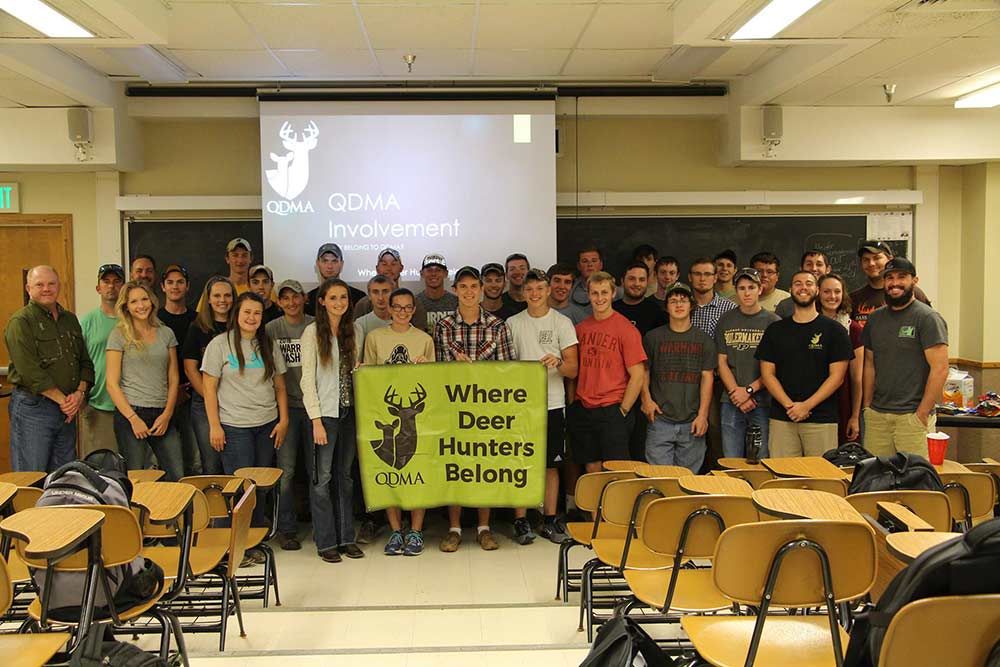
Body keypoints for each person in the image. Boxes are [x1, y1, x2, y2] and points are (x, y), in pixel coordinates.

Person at [434, 266, 516, 552]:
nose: (469, 292)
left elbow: (508, 370)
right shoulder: (443, 326)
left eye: (474, 287)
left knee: (485, 467)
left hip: (487, 409)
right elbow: (438, 372)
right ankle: (454, 528)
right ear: (455, 290)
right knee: (455, 467)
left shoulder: (497, 325)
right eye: (463, 287)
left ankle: (484, 528)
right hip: (453, 407)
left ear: (481, 290)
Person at [506, 269, 579, 545]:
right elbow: (503, 367)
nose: (534, 294)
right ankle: (521, 519)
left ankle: (549, 519)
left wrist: (558, 363)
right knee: (520, 462)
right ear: (522, 293)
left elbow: (573, 369)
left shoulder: (562, 323)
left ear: (548, 290)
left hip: (552, 403)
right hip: (519, 406)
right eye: (530, 290)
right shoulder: (513, 323)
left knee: (551, 465)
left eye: (540, 289)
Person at [363, 288, 435, 556]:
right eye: (398, 307)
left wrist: (426, 366)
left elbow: (436, 378)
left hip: (417, 417)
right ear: (389, 309)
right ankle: (395, 530)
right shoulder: (375, 337)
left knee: (419, 473)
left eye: (408, 307)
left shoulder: (425, 339)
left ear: (414, 310)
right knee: (389, 473)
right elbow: (367, 375)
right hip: (385, 413)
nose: (402, 312)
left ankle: (415, 530)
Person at [5, 266, 94, 472]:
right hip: (34, 409)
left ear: (58, 286)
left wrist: (79, 394)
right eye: (39, 284)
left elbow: (85, 362)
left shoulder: (70, 319)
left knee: (64, 477)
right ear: (28, 288)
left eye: (51, 284)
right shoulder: (21, 322)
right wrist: (65, 402)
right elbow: (29, 372)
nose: (46, 289)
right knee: (32, 476)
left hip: (67, 411)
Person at [756, 271, 852, 457]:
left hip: (821, 420)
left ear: (817, 290)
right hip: (782, 418)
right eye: (798, 283)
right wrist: (790, 406)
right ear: (791, 290)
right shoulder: (775, 330)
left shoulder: (835, 331)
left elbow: (837, 377)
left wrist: (806, 406)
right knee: (782, 479)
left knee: (821, 480)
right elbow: (767, 374)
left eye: (809, 283)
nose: (803, 288)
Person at [300, 278, 363, 563]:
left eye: (343, 298)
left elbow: (358, 372)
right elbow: (307, 381)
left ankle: (346, 537)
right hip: (324, 414)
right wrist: (315, 420)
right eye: (333, 298)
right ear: (322, 301)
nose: (339, 303)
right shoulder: (312, 333)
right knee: (321, 479)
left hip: (349, 412)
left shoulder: (355, 330)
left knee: (345, 477)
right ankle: (326, 541)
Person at [862, 258, 948, 457]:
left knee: (914, 482)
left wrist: (922, 413)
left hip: (912, 417)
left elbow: (940, 369)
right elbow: (869, 364)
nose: (895, 283)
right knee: (876, 480)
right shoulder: (874, 319)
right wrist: (867, 406)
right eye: (889, 278)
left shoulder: (927, 318)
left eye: (902, 277)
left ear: (914, 281)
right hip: (877, 417)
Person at [202, 291, 288, 484]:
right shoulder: (219, 344)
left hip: (267, 425)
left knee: (261, 486)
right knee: (241, 487)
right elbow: (209, 389)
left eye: (257, 313)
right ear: (237, 313)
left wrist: (284, 421)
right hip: (235, 427)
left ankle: (257, 517)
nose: (252, 317)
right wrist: (215, 426)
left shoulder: (268, 345)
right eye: (247, 312)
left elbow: (280, 387)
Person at [569, 271, 646, 474]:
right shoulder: (581, 329)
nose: (599, 298)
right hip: (585, 407)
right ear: (588, 295)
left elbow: (638, 375)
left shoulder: (626, 329)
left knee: (616, 469)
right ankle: (594, 508)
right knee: (591, 466)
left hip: (613, 408)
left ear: (613, 293)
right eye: (595, 293)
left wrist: (623, 411)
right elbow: (574, 371)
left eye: (604, 292)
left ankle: (616, 507)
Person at [105, 281, 184, 480]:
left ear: (152, 301)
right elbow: (112, 384)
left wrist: (167, 414)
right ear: (126, 307)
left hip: (162, 414)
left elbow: (173, 378)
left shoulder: (166, 333)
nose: (141, 305)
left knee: (176, 475)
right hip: (132, 414)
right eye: (134, 302)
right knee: (135, 478)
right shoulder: (118, 335)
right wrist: (133, 419)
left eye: (144, 299)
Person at [640, 283, 716, 471]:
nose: (679, 305)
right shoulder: (652, 337)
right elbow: (643, 371)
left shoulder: (704, 339)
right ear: (666, 307)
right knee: (660, 479)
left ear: (691, 305)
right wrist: (646, 400)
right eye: (673, 301)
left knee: (687, 482)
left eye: (683, 300)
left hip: (692, 421)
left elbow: (707, 377)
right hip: (660, 419)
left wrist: (703, 415)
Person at [266, 279, 315, 551]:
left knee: (317, 471)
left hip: (314, 408)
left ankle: (321, 526)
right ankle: (286, 529)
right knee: (286, 472)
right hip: (285, 409)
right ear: (279, 301)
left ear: (304, 298)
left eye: (296, 297)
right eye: (285, 298)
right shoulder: (271, 329)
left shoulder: (314, 325)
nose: (291, 302)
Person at [715, 268, 780, 459]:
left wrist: (749, 391)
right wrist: (737, 393)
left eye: (751, 287)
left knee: (760, 461)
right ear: (736, 290)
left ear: (760, 289)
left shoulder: (773, 322)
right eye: (742, 288)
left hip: (763, 401)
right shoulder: (726, 320)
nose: (747, 292)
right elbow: (722, 362)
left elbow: (775, 366)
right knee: (731, 460)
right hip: (731, 401)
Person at [182, 276, 235, 475]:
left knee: (233, 463)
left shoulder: (241, 326)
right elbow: (190, 368)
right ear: (209, 299)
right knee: (211, 463)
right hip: (204, 404)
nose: (223, 300)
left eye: (227, 295)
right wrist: (210, 397)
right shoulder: (198, 328)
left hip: (236, 406)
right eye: (217, 295)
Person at [79, 263, 126, 456]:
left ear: (124, 286)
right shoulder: (87, 321)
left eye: (116, 282)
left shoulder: (134, 320)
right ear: (98, 288)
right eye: (106, 282)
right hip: (98, 405)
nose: (111, 286)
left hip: (133, 405)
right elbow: (78, 361)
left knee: (137, 470)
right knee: (100, 468)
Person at [158, 264, 199, 475]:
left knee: (195, 460)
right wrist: (172, 392)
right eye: (170, 282)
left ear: (188, 286)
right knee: (166, 462)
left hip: (193, 395)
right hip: (161, 398)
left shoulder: (198, 319)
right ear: (163, 287)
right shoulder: (154, 320)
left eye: (180, 282)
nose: (175, 287)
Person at [817, 274, 863, 443]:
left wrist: (855, 416)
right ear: (817, 293)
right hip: (813, 406)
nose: (832, 296)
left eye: (837, 291)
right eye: (826, 291)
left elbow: (857, 379)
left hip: (842, 406)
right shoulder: (807, 324)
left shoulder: (854, 330)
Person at [850, 241, 930, 328]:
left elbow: (929, 328)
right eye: (866, 259)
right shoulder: (854, 299)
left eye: (877, 258)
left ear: (890, 260)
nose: (871, 263)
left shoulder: (911, 293)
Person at [353, 248, 428, 331]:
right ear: (377, 268)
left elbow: (420, 336)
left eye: (393, 264)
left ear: (401, 268)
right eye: (384, 264)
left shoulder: (414, 302)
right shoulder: (364, 304)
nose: (388, 268)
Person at [305, 243, 365, 317]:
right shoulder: (309, 299)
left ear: (342, 264)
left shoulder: (358, 297)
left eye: (334, 261)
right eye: (325, 261)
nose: (329, 266)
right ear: (317, 264)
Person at [195, 238, 255, 311]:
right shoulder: (216, 288)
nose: (240, 260)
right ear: (227, 259)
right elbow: (202, 316)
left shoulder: (259, 289)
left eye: (244, 255)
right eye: (235, 255)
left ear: (251, 258)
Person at [613, 262, 667, 336]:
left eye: (641, 279)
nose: (637, 284)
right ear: (622, 281)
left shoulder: (657, 312)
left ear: (647, 282)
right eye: (632, 279)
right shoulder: (611, 310)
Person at [775, 250, 832, 318]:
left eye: (819, 264)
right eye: (809, 264)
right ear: (801, 268)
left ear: (828, 269)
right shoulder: (785, 306)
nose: (814, 268)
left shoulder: (833, 301)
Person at [415, 253, 457, 335]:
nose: (433, 274)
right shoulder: (414, 302)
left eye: (438, 270)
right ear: (422, 273)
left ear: (446, 273)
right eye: (429, 270)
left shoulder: (457, 303)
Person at [354, 275, 393, 352]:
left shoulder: (402, 321)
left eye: (385, 292)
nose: (380, 297)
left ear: (393, 294)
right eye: (375, 292)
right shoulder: (360, 324)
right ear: (369, 296)